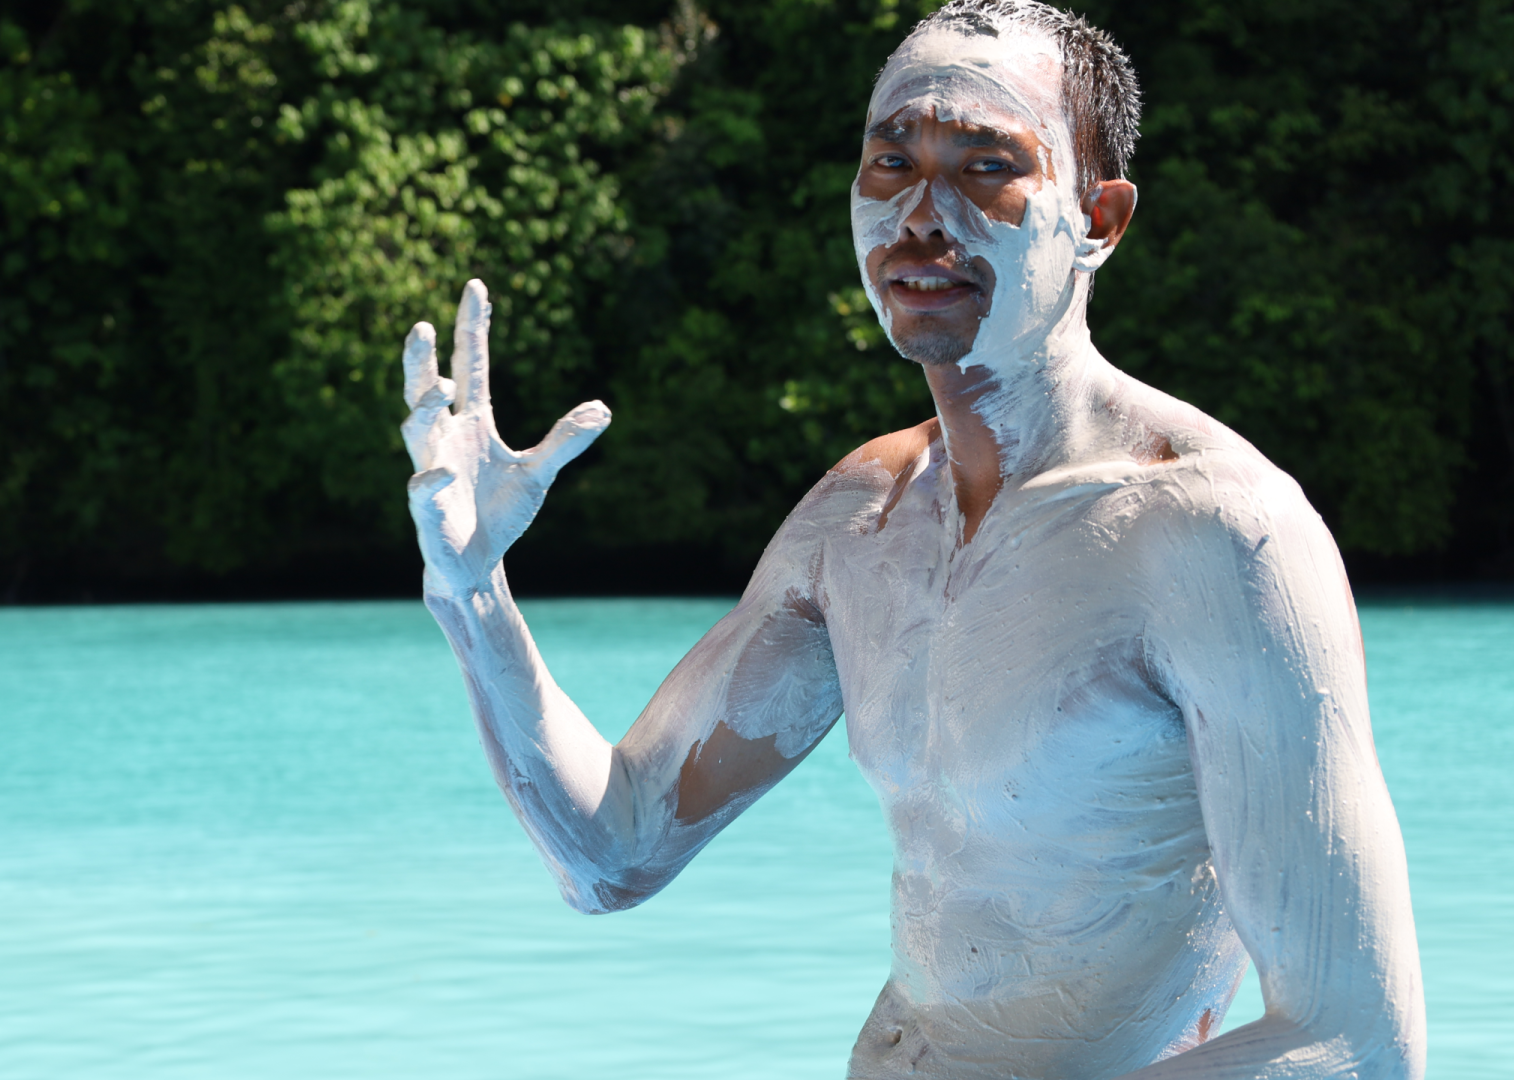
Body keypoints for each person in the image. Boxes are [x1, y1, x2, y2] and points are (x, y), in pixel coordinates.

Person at [395, 1, 1425, 1075]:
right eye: (893, 160)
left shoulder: (1216, 539)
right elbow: (617, 852)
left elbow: (1359, 1043)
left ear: (1100, 219)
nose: (923, 213)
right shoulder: (863, 520)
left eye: (987, 165)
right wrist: (473, 594)